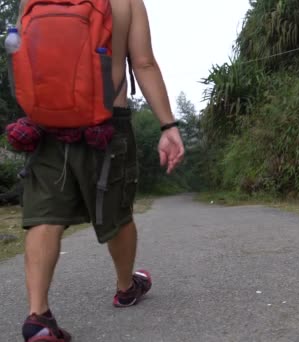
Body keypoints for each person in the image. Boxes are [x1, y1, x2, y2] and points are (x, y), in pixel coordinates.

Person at [12, 0, 185, 341]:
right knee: (116, 210)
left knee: (45, 216)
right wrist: (169, 125)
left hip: (45, 123)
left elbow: (18, 54)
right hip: (106, 125)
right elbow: (144, 62)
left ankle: (38, 315)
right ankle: (125, 287)